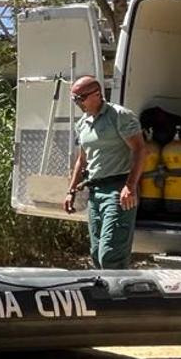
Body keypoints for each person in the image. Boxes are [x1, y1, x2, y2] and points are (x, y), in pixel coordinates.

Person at [63, 76, 145, 268]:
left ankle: (119, 295)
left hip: (118, 190)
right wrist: (71, 191)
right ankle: (104, 293)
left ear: (98, 94)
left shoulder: (119, 116)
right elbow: (82, 160)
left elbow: (140, 150)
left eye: (80, 98)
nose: (77, 103)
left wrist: (130, 187)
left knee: (110, 253)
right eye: (75, 99)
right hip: (96, 192)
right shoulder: (83, 124)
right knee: (96, 252)